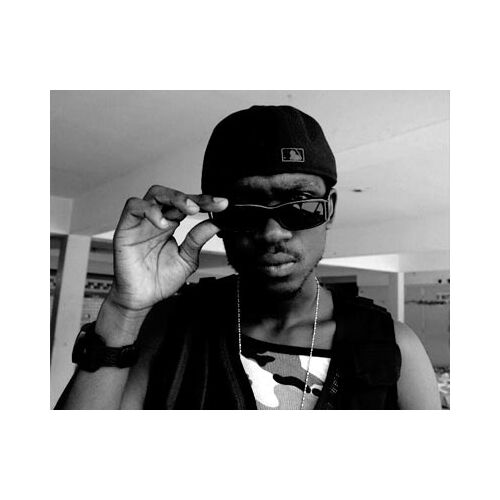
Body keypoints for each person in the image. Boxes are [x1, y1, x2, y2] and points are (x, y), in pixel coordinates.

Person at [56, 105, 441, 410]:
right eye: (244, 209)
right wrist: (124, 308)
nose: (273, 232)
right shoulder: (169, 328)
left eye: (300, 203)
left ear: (330, 210)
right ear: (215, 217)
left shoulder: (393, 346)